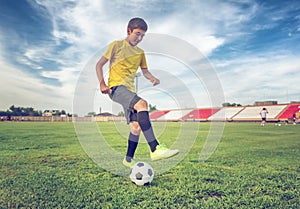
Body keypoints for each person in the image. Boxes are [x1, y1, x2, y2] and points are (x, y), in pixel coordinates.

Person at [96, 17, 179, 168]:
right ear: (129, 31)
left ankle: (128, 159)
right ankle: (155, 148)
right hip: (115, 88)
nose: (139, 38)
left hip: (129, 91)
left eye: (142, 36)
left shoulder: (140, 53)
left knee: (136, 127)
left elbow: (145, 72)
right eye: (137, 34)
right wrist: (102, 83)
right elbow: (99, 64)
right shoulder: (117, 45)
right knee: (142, 103)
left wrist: (152, 78)